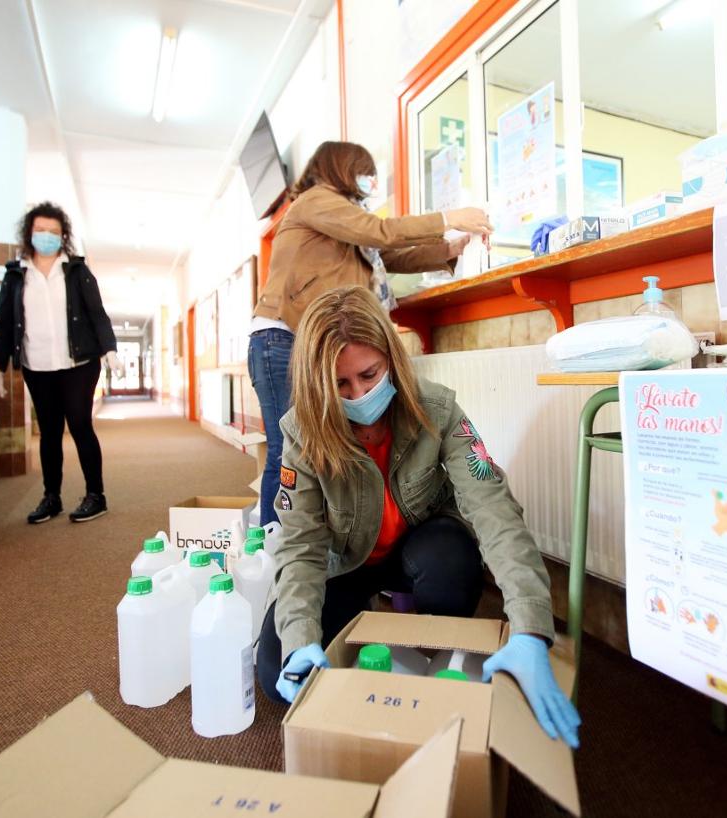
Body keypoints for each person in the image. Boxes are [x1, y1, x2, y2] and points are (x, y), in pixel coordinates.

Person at [256, 286, 580, 749]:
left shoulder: (439, 409)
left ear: (391, 357)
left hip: (420, 546)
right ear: (318, 384)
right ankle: (356, 623)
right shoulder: (302, 434)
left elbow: (493, 507)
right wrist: (298, 639)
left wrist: (530, 627)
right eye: (341, 385)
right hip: (343, 562)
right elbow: (300, 545)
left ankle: (430, 646)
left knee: (452, 561)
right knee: (275, 675)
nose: (360, 394)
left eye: (370, 374)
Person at [249, 140, 492, 529]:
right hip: (281, 339)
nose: (371, 180)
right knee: (288, 452)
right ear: (341, 168)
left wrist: (450, 248)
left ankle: (321, 550)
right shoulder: (316, 200)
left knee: (322, 448)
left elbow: (389, 255)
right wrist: (449, 217)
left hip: (309, 339)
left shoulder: (345, 219)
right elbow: (379, 231)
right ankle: (269, 556)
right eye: (364, 170)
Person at [0, 201, 125, 524]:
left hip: (79, 362)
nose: (47, 236)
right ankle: (52, 497)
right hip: (37, 365)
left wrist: (110, 350)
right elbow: (4, 324)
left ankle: (96, 495)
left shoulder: (75, 270)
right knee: (49, 431)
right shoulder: (16, 275)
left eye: (53, 231)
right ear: (29, 233)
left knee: (79, 424)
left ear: (63, 235)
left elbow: (97, 314)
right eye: (40, 231)